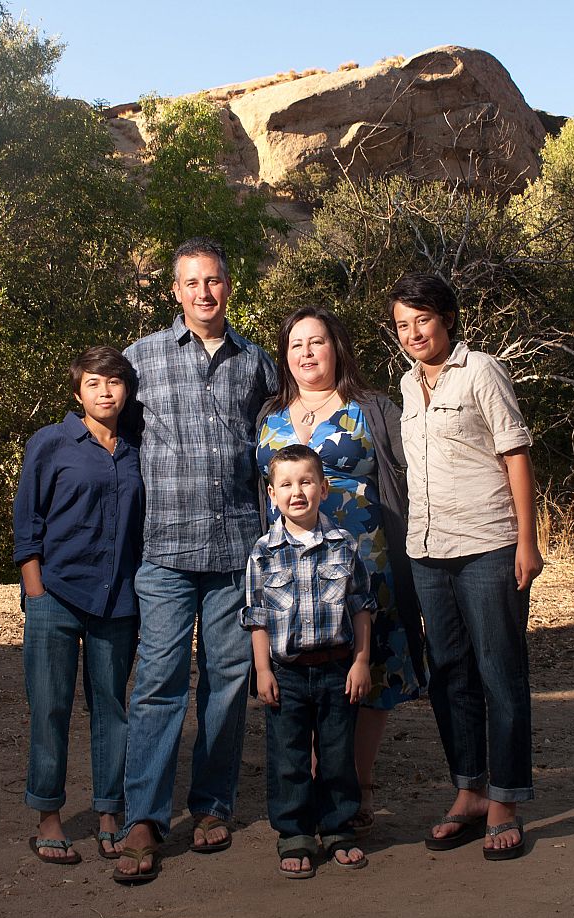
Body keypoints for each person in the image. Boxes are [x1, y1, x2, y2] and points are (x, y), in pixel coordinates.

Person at [114, 237, 277, 884]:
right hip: (164, 552)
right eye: (191, 283)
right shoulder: (141, 358)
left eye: (213, 281)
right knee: (156, 685)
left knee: (227, 684)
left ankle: (212, 805)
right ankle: (143, 821)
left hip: (236, 549)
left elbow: (275, 440)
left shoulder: (256, 361)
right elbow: (115, 435)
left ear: (228, 287)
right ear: (175, 292)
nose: (203, 293)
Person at [390, 272, 544, 861]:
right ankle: (469, 790)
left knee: (499, 671)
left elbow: (515, 452)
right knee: (449, 671)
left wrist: (526, 542)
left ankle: (506, 799)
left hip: (488, 544)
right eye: (402, 325)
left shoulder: (481, 371)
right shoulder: (406, 385)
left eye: (422, 320)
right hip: (427, 552)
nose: (413, 333)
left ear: (446, 319)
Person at [255, 307, 425, 834]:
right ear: (285, 355)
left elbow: (417, 466)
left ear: (337, 347)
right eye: (296, 344)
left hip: (364, 557)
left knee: (369, 668)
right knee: (304, 670)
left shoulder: (371, 407)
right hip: (290, 563)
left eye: (318, 342)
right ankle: (312, 785)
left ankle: (360, 780)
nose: (307, 353)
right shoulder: (269, 413)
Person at [13, 346, 143, 864]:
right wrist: (36, 592)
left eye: (113, 382)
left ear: (126, 390)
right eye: (94, 383)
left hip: (118, 599)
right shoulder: (50, 443)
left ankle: (109, 811)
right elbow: (28, 522)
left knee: (111, 708)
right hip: (57, 597)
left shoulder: (138, 447)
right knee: (50, 707)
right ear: (77, 392)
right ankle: (48, 814)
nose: (105, 392)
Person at [241, 444, 375, 877]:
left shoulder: (344, 545)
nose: (296, 492)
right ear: (271, 493)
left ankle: (337, 826)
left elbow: (361, 606)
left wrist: (361, 661)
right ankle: (294, 832)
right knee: (288, 757)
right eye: (286, 484)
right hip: (286, 673)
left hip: (338, 669)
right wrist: (262, 670)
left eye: (305, 482)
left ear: (323, 486)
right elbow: (256, 617)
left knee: (337, 754)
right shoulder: (262, 552)